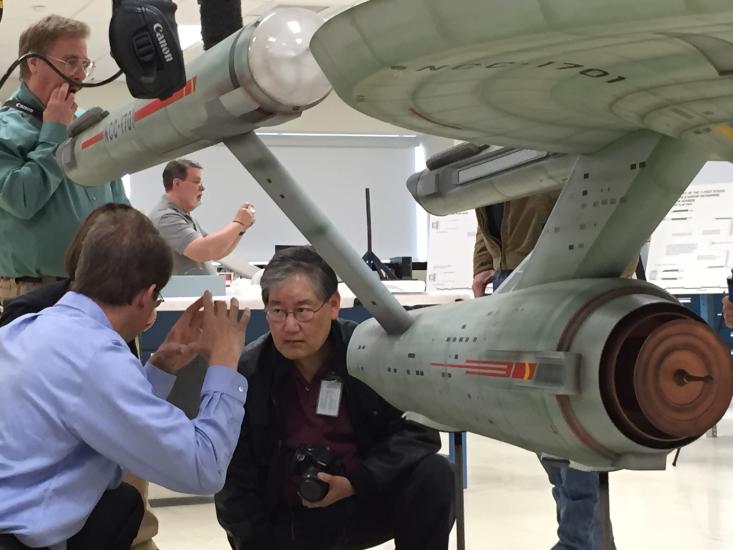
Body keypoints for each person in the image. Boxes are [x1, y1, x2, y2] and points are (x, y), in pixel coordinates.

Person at [0, 207, 250, 550]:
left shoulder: (22, 331)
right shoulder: (96, 357)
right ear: (146, 297)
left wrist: (161, 365)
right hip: (25, 540)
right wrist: (224, 364)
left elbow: (101, 417)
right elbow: (202, 467)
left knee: (121, 506)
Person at [215, 246, 455, 550]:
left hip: (360, 497)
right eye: (277, 311)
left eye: (303, 310)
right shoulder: (248, 372)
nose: (290, 326)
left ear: (333, 305)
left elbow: (421, 433)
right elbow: (231, 480)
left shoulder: (370, 356)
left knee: (434, 474)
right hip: (287, 519)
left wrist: (357, 482)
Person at [0, 204, 160, 550]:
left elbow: (133, 403)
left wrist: (162, 367)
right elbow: (197, 466)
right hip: (46, 502)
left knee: (129, 508)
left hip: (102, 469)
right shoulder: (32, 315)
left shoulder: (122, 314)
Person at [473, 193, 620, 550]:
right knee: (541, 420)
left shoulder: (554, 139)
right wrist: (484, 261)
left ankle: (578, 541)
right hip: (515, 275)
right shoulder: (498, 144)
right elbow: (489, 203)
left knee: (569, 417)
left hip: (562, 273)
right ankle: (586, 539)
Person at [0, 14, 129, 304]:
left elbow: (119, 208)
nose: (81, 75)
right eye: (70, 62)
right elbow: (21, 200)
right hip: (35, 293)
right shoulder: (4, 129)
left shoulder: (88, 125)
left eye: (85, 64)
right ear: (33, 62)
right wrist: (54, 132)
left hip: (100, 289)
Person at [148, 158, 255, 276]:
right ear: (177, 184)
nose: (202, 187)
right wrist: (238, 223)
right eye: (196, 181)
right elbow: (203, 251)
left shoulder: (184, 216)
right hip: (184, 293)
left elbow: (217, 251)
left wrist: (240, 229)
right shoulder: (165, 218)